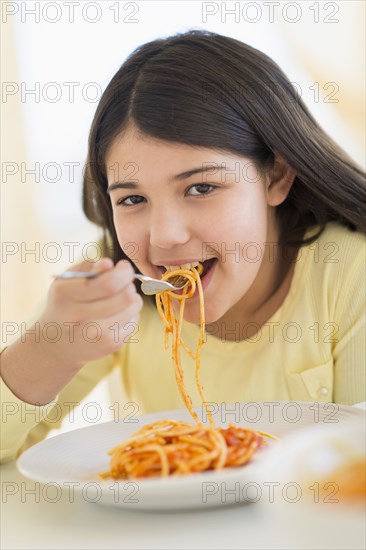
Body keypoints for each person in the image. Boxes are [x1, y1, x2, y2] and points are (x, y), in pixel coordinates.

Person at [1, 30, 365, 463]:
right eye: (132, 200)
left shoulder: (348, 275)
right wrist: (49, 349)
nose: (165, 235)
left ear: (276, 176)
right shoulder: (110, 287)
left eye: (201, 187)